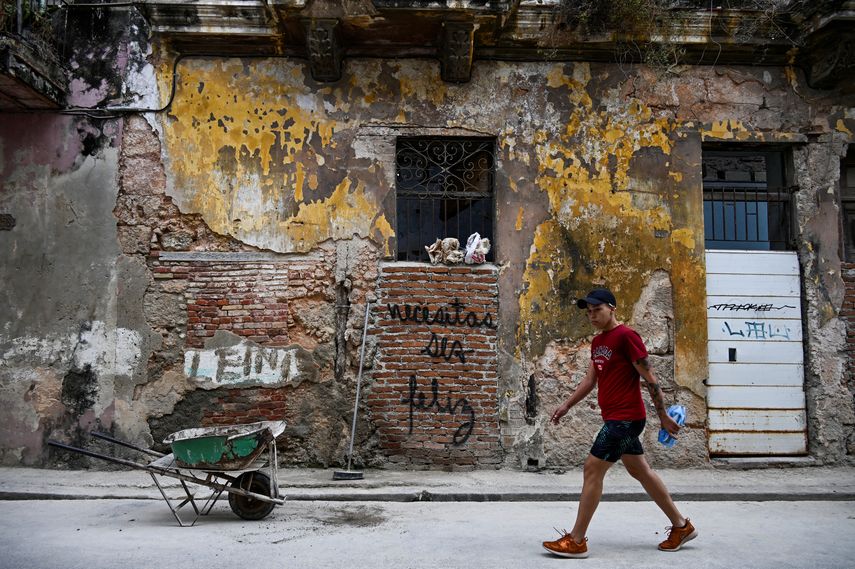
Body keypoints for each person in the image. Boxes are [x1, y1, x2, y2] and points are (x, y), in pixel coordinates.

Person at [542, 288, 697, 558]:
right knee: (641, 472)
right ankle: (681, 526)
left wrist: (662, 417)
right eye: (588, 312)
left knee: (592, 468)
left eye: (597, 310)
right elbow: (591, 381)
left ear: (612, 308)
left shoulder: (627, 337)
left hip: (625, 419)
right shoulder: (598, 342)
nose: (592, 315)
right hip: (616, 417)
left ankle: (576, 541)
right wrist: (567, 405)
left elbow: (650, 378)